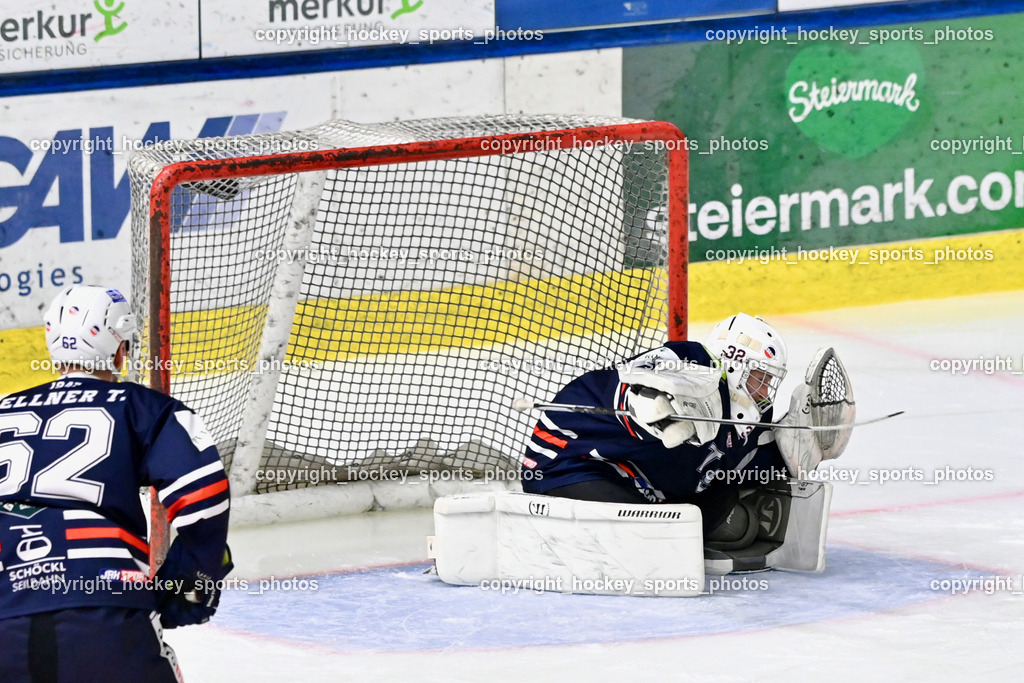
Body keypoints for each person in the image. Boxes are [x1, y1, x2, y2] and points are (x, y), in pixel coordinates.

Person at [0, 285, 232, 682]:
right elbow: (204, 502)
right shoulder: (147, 409)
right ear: (121, 349)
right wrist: (188, 584)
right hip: (105, 615)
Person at [521, 313, 798, 557]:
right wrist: (648, 404)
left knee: (728, 509)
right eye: (761, 377)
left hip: (638, 478)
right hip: (569, 462)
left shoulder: (750, 418)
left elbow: (737, 468)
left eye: (770, 382)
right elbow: (630, 382)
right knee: (653, 536)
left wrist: (790, 452)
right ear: (736, 363)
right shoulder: (691, 362)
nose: (764, 392)